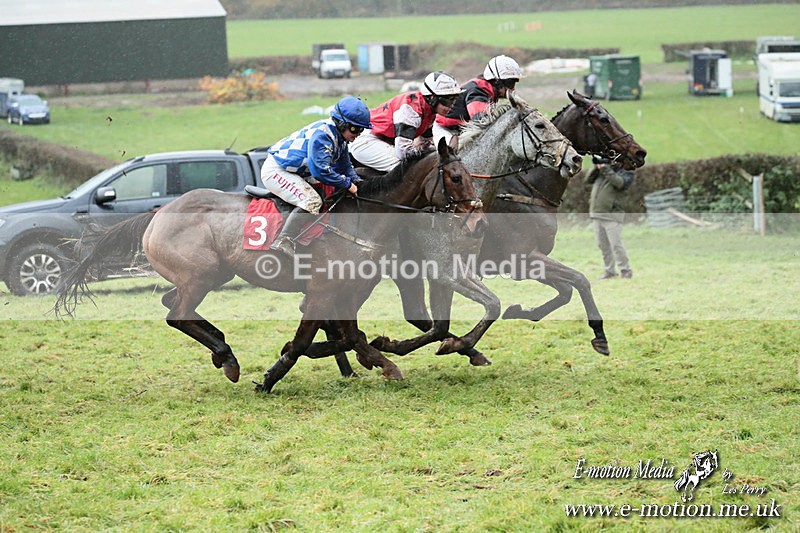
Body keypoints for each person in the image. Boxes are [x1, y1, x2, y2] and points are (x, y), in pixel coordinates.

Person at [262, 95, 372, 258]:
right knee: (312, 201)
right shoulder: (324, 136)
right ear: (341, 123)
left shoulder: (339, 138)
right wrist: (348, 185)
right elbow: (320, 171)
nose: (358, 134)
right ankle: (284, 240)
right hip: (277, 170)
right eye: (355, 129)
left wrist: (358, 182)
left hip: (295, 171)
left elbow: (345, 166)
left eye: (361, 129)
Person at [348, 71, 462, 172]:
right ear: (432, 98)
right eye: (448, 100)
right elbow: (403, 151)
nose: (451, 106)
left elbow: (425, 144)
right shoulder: (410, 110)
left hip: (384, 140)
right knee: (408, 170)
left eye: (454, 100)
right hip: (367, 140)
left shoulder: (429, 112)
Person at [433, 55, 524, 140]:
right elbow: (480, 122)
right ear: (497, 82)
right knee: (452, 154)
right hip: (445, 129)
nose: (513, 88)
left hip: (459, 128)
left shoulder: (488, 91)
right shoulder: (478, 92)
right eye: (510, 83)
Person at [586, 157, 635, 279]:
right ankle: (610, 271)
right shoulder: (602, 172)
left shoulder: (626, 172)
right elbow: (588, 179)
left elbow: (620, 183)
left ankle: (625, 270)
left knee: (616, 244)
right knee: (602, 245)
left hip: (613, 215)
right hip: (597, 214)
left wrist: (606, 169)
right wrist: (596, 167)